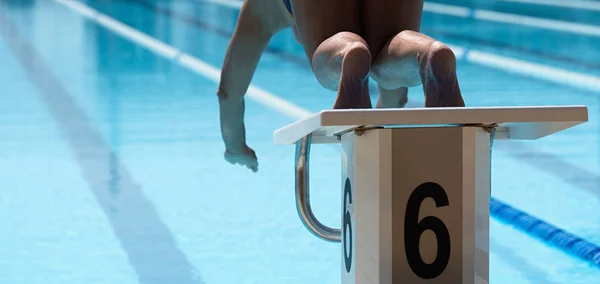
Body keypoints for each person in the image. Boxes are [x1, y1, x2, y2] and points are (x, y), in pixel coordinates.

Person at [217, 0, 465, 172]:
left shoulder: (264, 7)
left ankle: (346, 52)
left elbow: (229, 91)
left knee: (333, 59)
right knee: (394, 44)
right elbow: (395, 97)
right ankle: (428, 54)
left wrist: (235, 146)